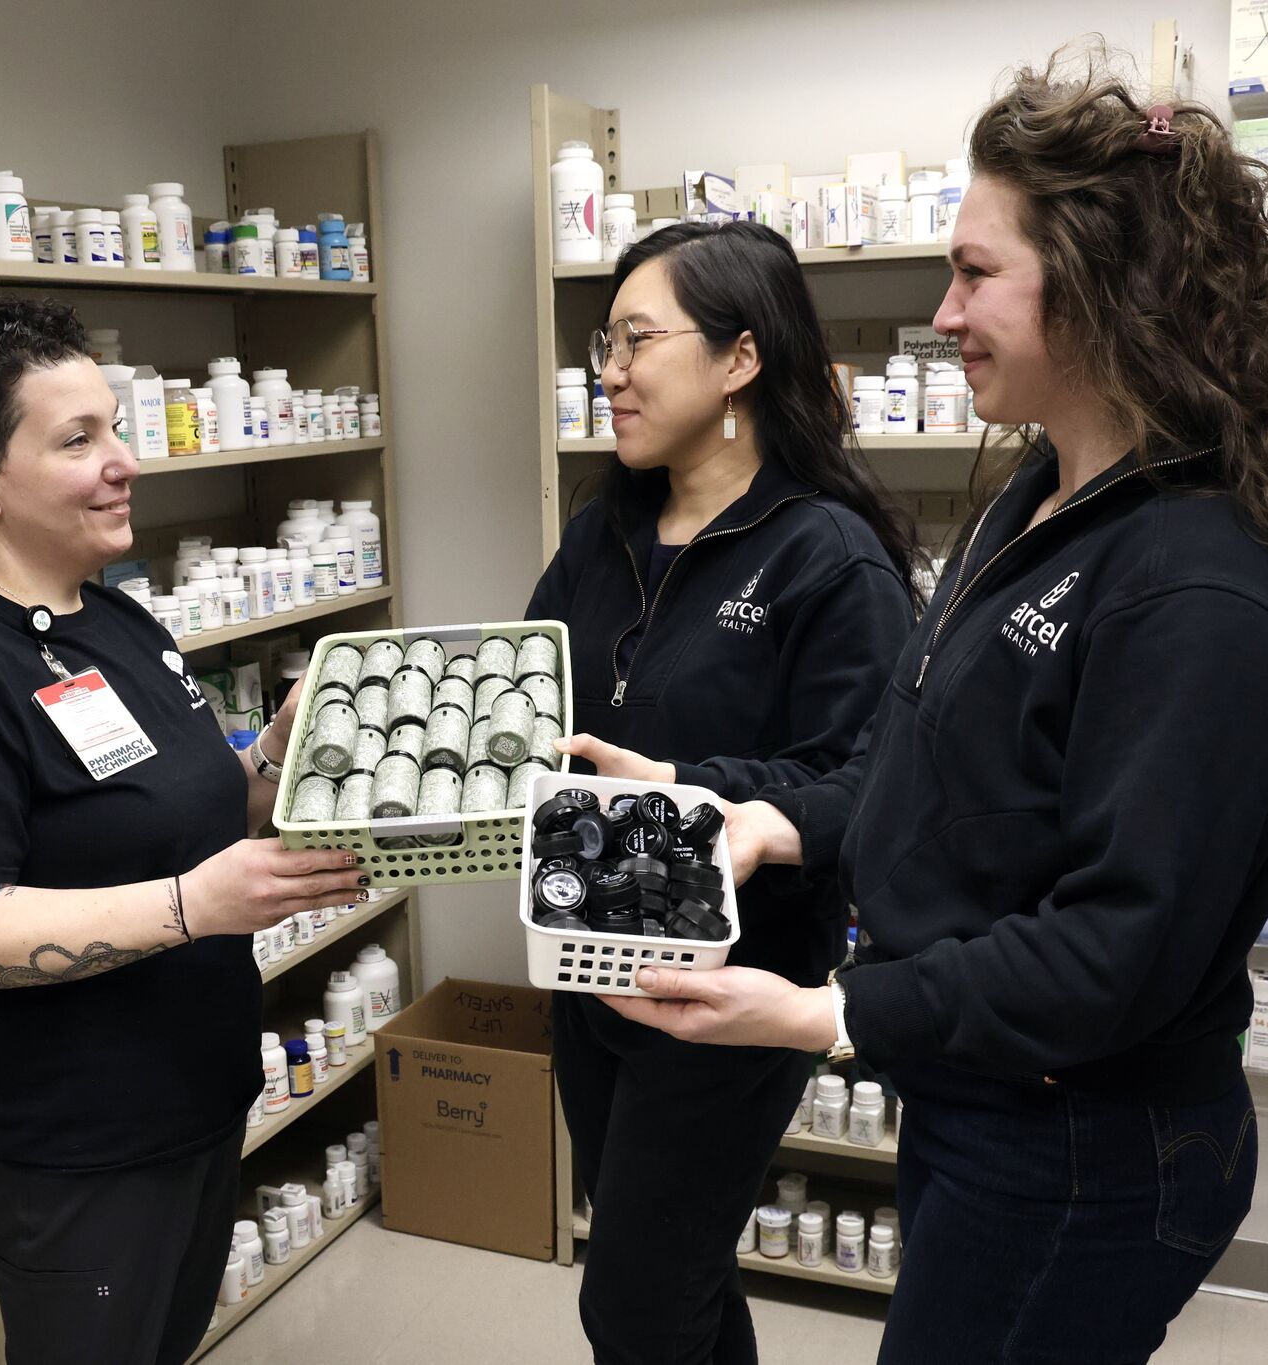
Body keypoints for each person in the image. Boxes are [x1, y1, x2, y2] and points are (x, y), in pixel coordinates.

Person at [595, 59, 1268, 1365]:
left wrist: (828, 1012)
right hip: (989, 1095)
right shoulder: (1039, 499)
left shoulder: (1206, 589)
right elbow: (915, 747)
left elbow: (1113, 952)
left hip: (1085, 1140)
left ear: (1107, 281)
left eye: (974, 272)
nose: (943, 314)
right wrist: (757, 821)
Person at [0, 297, 366, 1364]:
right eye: (77, 440)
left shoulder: (109, 615)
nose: (123, 461)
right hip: (77, 1146)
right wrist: (192, 907)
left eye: (114, 427)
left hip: (191, 1099)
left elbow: (187, 812)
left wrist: (272, 754)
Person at [528, 220, 922, 1364]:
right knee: (671, 1271)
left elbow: (867, 786)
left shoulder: (824, 555)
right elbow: (536, 691)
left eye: (636, 339)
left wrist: (689, 789)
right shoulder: (602, 533)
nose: (608, 369)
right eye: (604, 341)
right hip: (589, 958)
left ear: (739, 359)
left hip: (731, 982)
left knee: (634, 1303)